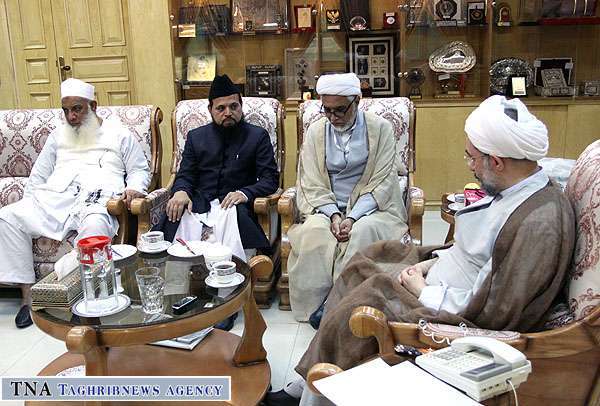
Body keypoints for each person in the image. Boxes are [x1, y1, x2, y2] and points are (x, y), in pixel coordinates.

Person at [266, 95, 576, 406]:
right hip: (443, 276)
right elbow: (478, 251)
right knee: (369, 257)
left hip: (456, 312)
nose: (470, 168)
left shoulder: (539, 223)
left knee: (368, 295)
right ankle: (314, 371)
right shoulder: (518, 186)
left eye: (472, 159)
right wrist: (430, 264)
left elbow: (496, 311)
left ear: (496, 161)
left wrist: (422, 289)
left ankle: (315, 391)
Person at [0, 78, 150, 329]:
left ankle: (88, 300)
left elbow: (139, 170)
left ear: (94, 105)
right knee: (8, 216)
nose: (71, 116)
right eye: (66, 110)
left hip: (97, 200)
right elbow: (38, 176)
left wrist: (133, 188)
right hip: (54, 199)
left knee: (94, 229)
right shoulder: (58, 136)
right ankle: (29, 298)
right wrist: (30, 207)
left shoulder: (119, 134)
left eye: (77, 109)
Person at [155, 74, 279, 330]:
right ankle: (178, 298)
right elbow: (186, 174)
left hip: (234, 206)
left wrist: (245, 193)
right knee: (178, 217)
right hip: (199, 203)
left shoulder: (257, 136)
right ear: (210, 110)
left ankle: (227, 304)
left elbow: (270, 179)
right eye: (221, 108)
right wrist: (180, 191)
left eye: (234, 106)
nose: (228, 113)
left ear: (241, 106)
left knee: (233, 223)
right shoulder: (196, 137)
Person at [287, 72, 408, 323]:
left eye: (340, 110)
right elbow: (311, 180)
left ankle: (346, 306)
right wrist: (333, 214)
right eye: (327, 110)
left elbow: (382, 181)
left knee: (362, 234)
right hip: (325, 207)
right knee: (315, 235)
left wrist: (351, 218)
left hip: (373, 209)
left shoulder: (380, 129)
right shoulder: (316, 132)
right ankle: (315, 306)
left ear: (357, 100)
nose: (333, 117)